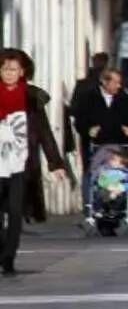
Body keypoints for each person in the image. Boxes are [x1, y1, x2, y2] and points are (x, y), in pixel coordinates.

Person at [0, 50, 66, 276]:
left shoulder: (31, 98)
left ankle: (9, 257)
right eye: (5, 69)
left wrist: (55, 163)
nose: (9, 73)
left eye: (13, 69)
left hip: (21, 164)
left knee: (16, 211)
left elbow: (44, 132)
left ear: (22, 71)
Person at [70, 52, 110, 216]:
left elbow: (73, 109)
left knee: (88, 171)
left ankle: (89, 208)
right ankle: (104, 206)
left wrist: (83, 128)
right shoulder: (107, 84)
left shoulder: (82, 84)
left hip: (87, 134)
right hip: (106, 134)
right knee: (106, 169)